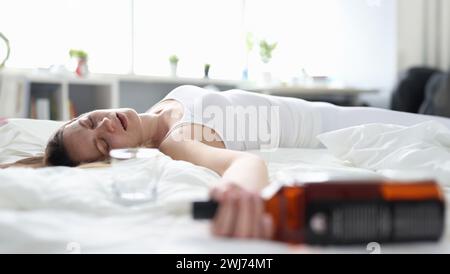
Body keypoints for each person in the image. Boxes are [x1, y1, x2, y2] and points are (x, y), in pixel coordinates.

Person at [3, 85, 450, 240]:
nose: (104, 125)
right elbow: (244, 164)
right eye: (101, 145)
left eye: (88, 120)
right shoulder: (178, 141)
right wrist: (238, 191)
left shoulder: (159, 111)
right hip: (357, 129)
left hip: (348, 115)